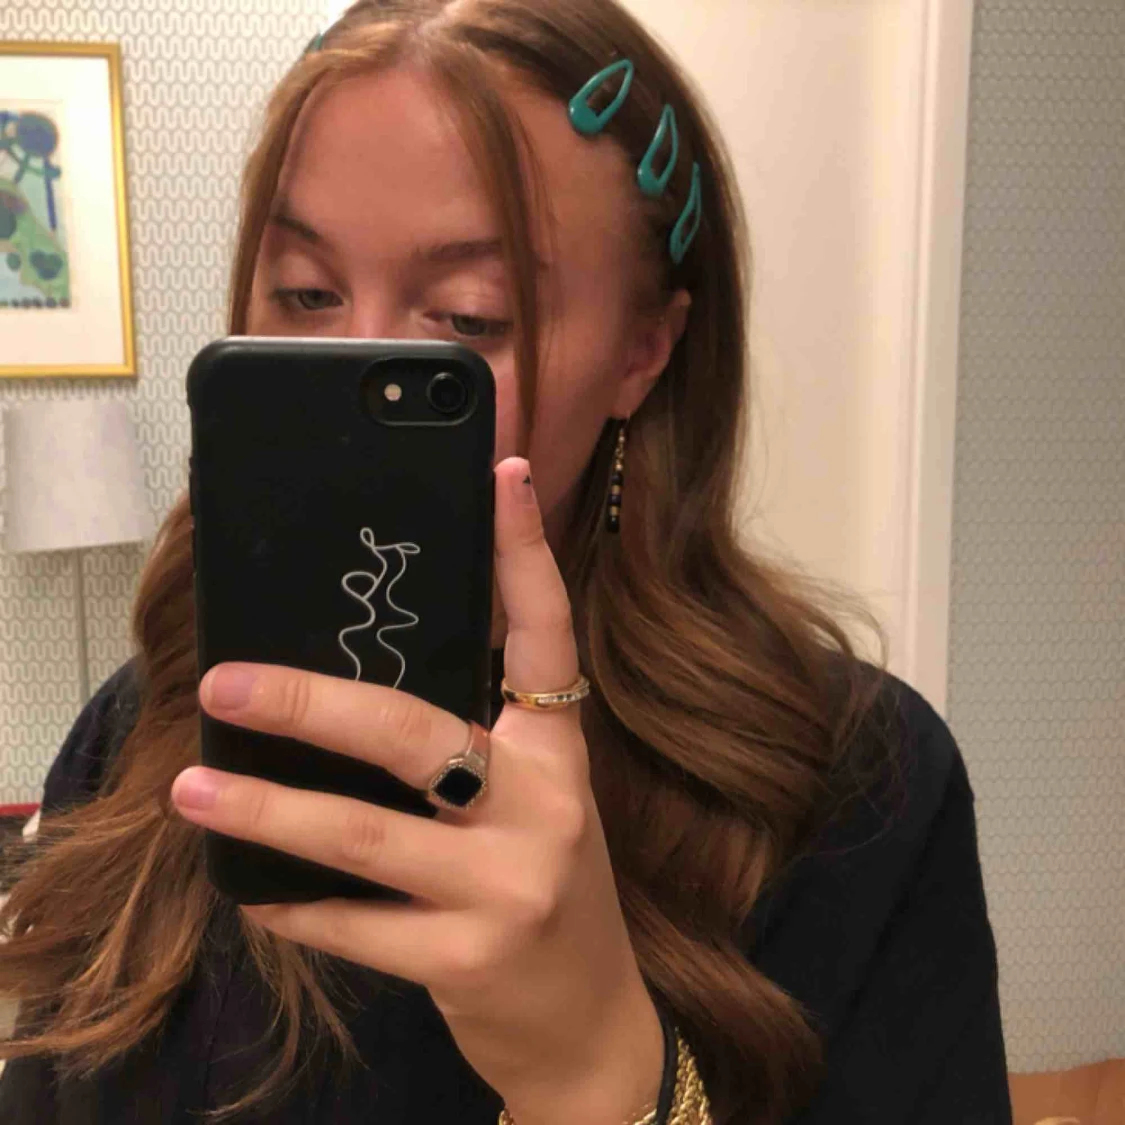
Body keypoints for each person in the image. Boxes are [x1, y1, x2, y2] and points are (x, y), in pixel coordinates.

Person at [0, 1, 1013, 1122]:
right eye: (306, 293)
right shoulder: (145, 725)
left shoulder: (858, 787)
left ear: (643, 352)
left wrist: (594, 1073)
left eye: (469, 318)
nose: (355, 368)